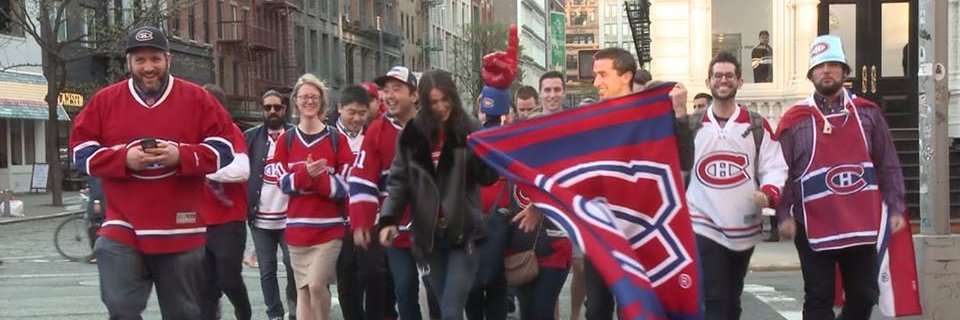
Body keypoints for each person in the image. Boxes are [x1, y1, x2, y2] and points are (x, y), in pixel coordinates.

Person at [70, 26, 236, 319]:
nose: (148, 67)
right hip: (123, 225)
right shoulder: (105, 101)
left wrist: (181, 155)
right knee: (121, 307)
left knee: (185, 313)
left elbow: (224, 149)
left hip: (181, 229)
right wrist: (123, 159)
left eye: (155, 59)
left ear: (168, 59)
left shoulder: (197, 98)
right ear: (128, 63)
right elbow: (81, 153)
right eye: (140, 60)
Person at [776, 35, 907, 320]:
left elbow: (888, 163)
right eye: (820, 66)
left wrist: (895, 205)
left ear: (844, 72)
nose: (827, 71)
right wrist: (783, 213)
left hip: (859, 223)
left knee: (864, 295)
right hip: (812, 224)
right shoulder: (795, 120)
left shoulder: (868, 115)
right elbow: (780, 171)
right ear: (811, 74)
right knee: (818, 298)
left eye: (833, 65)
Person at [378, 69, 500, 320]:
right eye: (434, 102)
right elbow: (399, 182)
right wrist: (389, 219)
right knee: (442, 302)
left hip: (464, 233)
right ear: (423, 102)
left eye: (446, 99)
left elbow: (488, 177)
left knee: (452, 308)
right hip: (428, 236)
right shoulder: (412, 134)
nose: (442, 107)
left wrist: (485, 146)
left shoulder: (469, 128)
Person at [681, 52, 787, 320]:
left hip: (743, 226)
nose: (723, 80)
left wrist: (769, 193)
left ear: (739, 82)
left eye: (729, 75)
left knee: (731, 296)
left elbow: (774, 166)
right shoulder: (693, 125)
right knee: (715, 296)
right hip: (702, 225)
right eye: (718, 75)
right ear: (708, 81)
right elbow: (674, 165)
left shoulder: (756, 125)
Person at [350, 66, 436, 320]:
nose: (389, 95)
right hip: (395, 228)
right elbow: (363, 177)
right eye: (385, 90)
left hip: (432, 228)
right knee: (405, 289)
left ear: (414, 95)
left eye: (396, 89)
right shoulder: (377, 131)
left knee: (435, 290)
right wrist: (361, 221)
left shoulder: (433, 127)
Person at [276, 73, 354, 320]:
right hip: (297, 229)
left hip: (329, 229)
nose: (309, 101)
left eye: (314, 97)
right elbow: (282, 183)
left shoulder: (336, 139)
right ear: (295, 101)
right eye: (304, 97)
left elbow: (344, 186)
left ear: (322, 102)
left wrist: (315, 179)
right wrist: (306, 174)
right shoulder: (285, 140)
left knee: (317, 284)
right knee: (303, 291)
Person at [331, 85, 395, 320]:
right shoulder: (329, 136)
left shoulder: (374, 136)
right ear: (339, 108)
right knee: (347, 276)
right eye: (351, 112)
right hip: (338, 219)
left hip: (371, 218)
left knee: (376, 273)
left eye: (361, 113)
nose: (357, 118)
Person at [201, 83, 253, 320]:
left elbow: (241, 170)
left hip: (228, 220)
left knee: (229, 279)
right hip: (198, 221)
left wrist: (204, 169)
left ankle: (244, 312)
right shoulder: (193, 134)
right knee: (204, 286)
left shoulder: (230, 131)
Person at [245, 89, 299, 320]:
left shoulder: (297, 135)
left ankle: (295, 311)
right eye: (267, 108)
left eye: (277, 107)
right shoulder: (251, 137)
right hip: (260, 218)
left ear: (285, 109)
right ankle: (274, 314)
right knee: (267, 270)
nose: (272, 111)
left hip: (290, 216)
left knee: (292, 266)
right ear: (262, 110)